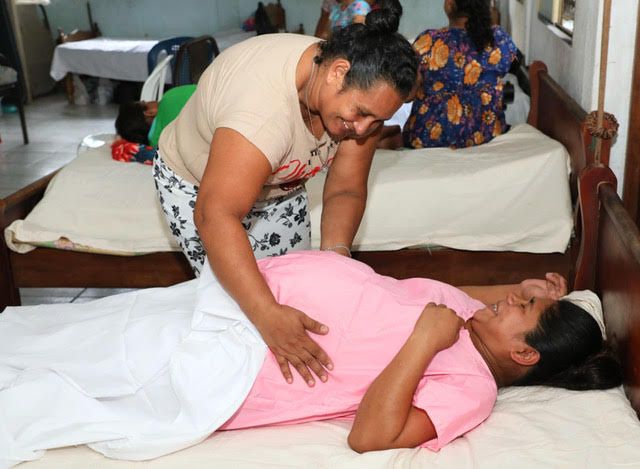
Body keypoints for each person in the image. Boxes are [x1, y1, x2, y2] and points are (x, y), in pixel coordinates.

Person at [0, 251, 622, 462]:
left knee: (74, 367)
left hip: (243, 359)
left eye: (524, 309)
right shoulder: (468, 311)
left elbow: (371, 436)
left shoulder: (472, 386)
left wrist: (422, 343)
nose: (511, 299)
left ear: (522, 352)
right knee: (71, 330)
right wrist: (533, 289)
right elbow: (477, 296)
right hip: (246, 303)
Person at [154, 0, 418, 389]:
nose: (364, 130)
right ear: (337, 73)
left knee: (298, 298)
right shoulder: (262, 111)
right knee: (244, 314)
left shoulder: (359, 99)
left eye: (377, 120)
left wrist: (335, 261)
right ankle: (225, 393)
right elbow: (216, 214)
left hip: (279, 187)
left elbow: (345, 188)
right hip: (202, 191)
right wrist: (265, 313)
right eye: (361, 113)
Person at [402, 0, 517, 149]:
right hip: (485, 138)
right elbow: (508, 64)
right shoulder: (499, 40)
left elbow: (407, 95)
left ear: (450, 4)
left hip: (428, 140)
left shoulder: (428, 41)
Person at [114, 84, 197, 147]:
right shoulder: (169, 98)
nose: (153, 101)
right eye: (145, 102)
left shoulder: (157, 145)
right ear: (149, 112)